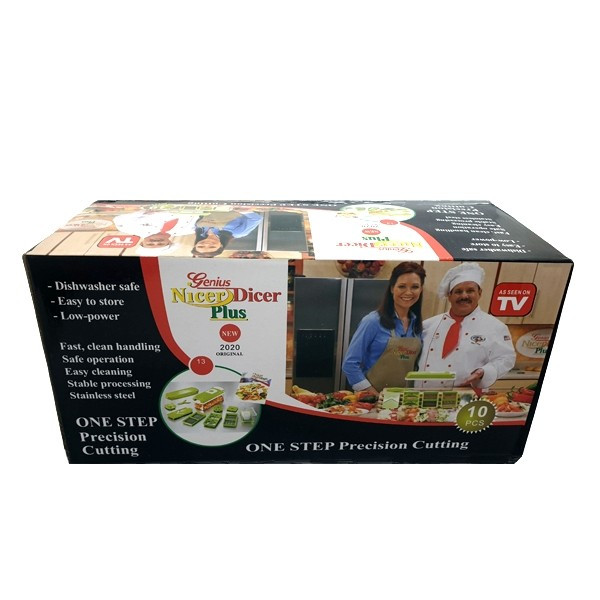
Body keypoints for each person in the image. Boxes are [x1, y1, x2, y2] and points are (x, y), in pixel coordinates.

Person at [417, 262, 516, 390]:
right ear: (449, 296)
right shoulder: (427, 325)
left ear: (479, 293)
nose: (464, 296)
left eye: (470, 290)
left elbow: (506, 358)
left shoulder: (496, 327)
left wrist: (484, 372)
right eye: (458, 291)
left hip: (465, 395)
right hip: (423, 394)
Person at [342, 262, 426, 394]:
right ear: (392, 288)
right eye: (402, 286)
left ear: (421, 290)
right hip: (371, 398)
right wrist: (374, 395)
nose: (408, 292)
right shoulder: (372, 321)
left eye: (415, 287)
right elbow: (350, 364)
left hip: (404, 399)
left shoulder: (418, 326)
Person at [112, 209, 198, 252]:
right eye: (161, 244)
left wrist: (146, 211)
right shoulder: (189, 230)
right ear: (169, 242)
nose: (156, 242)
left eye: (150, 244)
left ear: (142, 243)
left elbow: (120, 217)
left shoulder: (127, 228)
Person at [192, 209, 263, 257]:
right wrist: (241, 210)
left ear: (196, 245)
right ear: (221, 246)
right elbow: (256, 219)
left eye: (200, 246)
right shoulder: (238, 233)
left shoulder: (200, 230)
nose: (207, 244)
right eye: (212, 247)